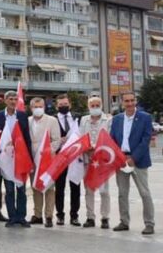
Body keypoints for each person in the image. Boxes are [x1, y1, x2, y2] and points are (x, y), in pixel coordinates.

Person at [110, 92, 155, 235]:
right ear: (122, 103)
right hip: (121, 161)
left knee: (144, 193)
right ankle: (124, 222)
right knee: (122, 194)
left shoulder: (145, 117)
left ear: (135, 101)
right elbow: (112, 139)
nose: (129, 103)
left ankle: (149, 223)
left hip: (138, 161)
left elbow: (145, 140)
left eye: (132, 100)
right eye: (126, 101)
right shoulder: (116, 119)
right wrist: (119, 157)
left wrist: (133, 158)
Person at [0, 91, 33, 227]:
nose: (13, 101)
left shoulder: (22, 116)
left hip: (20, 158)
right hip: (6, 158)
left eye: (15, 99)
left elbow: (27, 138)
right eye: (10, 99)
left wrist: (29, 159)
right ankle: (12, 217)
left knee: (21, 189)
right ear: (5, 100)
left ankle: (21, 217)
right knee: (9, 190)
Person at [80, 96, 113, 229]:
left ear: (101, 106)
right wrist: (87, 147)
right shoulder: (84, 120)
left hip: (102, 160)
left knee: (104, 191)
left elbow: (110, 138)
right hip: (88, 159)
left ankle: (105, 217)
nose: (95, 108)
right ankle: (90, 217)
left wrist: (97, 148)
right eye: (92, 105)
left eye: (97, 105)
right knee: (89, 190)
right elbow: (81, 137)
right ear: (88, 107)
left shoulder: (108, 120)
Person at [28, 97, 60, 228]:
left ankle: (49, 216)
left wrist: (47, 151)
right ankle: (37, 215)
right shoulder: (27, 121)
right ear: (31, 108)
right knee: (35, 187)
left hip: (47, 160)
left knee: (49, 188)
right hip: (32, 160)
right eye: (35, 107)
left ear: (44, 107)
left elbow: (56, 140)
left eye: (40, 106)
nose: (38, 109)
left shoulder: (52, 120)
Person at [54, 94, 82, 226]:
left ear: (70, 105)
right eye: (61, 105)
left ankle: (74, 216)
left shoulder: (78, 118)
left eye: (65, 104)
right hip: (59, 157)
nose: (63, 106)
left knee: (75, 186)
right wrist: (58, 140)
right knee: (59, 188)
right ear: (57, 106)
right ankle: (60, 215)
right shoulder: (52, 119)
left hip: (75, 157)